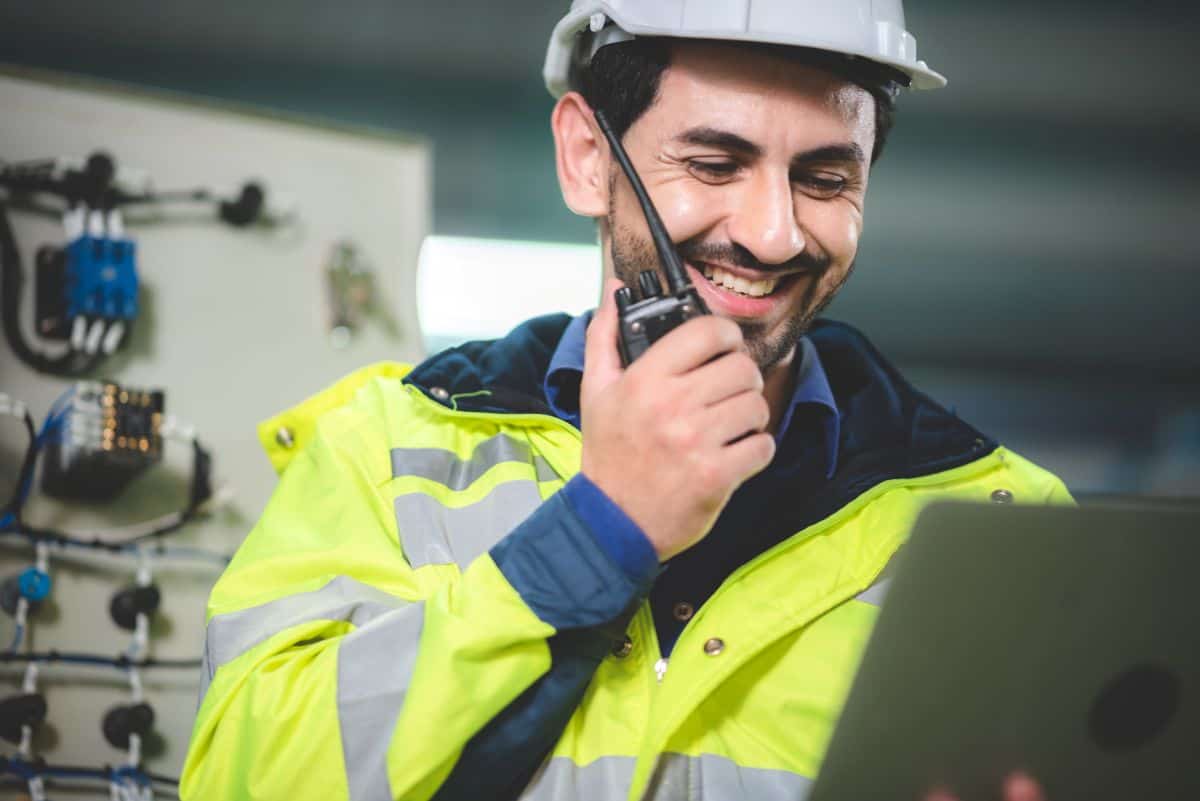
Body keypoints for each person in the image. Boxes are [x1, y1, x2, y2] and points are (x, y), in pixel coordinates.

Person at [180, 2, 1071, 800]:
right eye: (716, 162)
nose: (773, 231)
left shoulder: (1005, 521)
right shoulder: (384, 452)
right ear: (587, 158)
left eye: (827, 179)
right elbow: (241, 782)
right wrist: (596, 534)